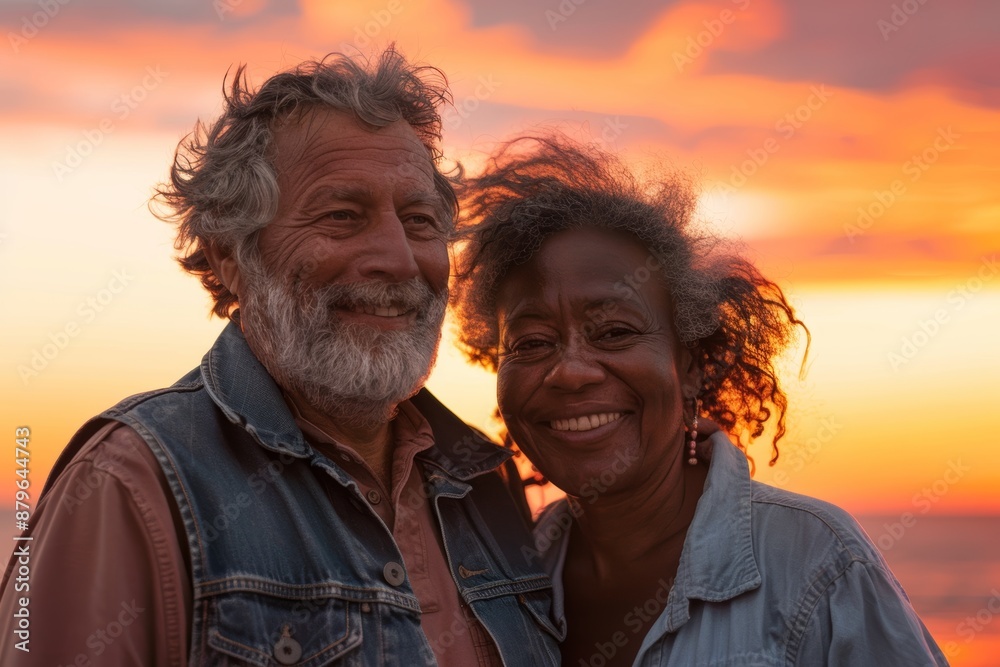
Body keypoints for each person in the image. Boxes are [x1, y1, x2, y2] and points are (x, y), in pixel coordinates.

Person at [0, 49, 562, 666]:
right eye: (342, 216)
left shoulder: (484, 480)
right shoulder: (130, 484)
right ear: (230, 257)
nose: (398, 259)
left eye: (420, 220)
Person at [451, 135, 949, 666]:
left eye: (615, 332)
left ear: (691, 365)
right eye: (530, 343)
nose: (570, 372)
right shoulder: (508, 579)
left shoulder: (817, 561)